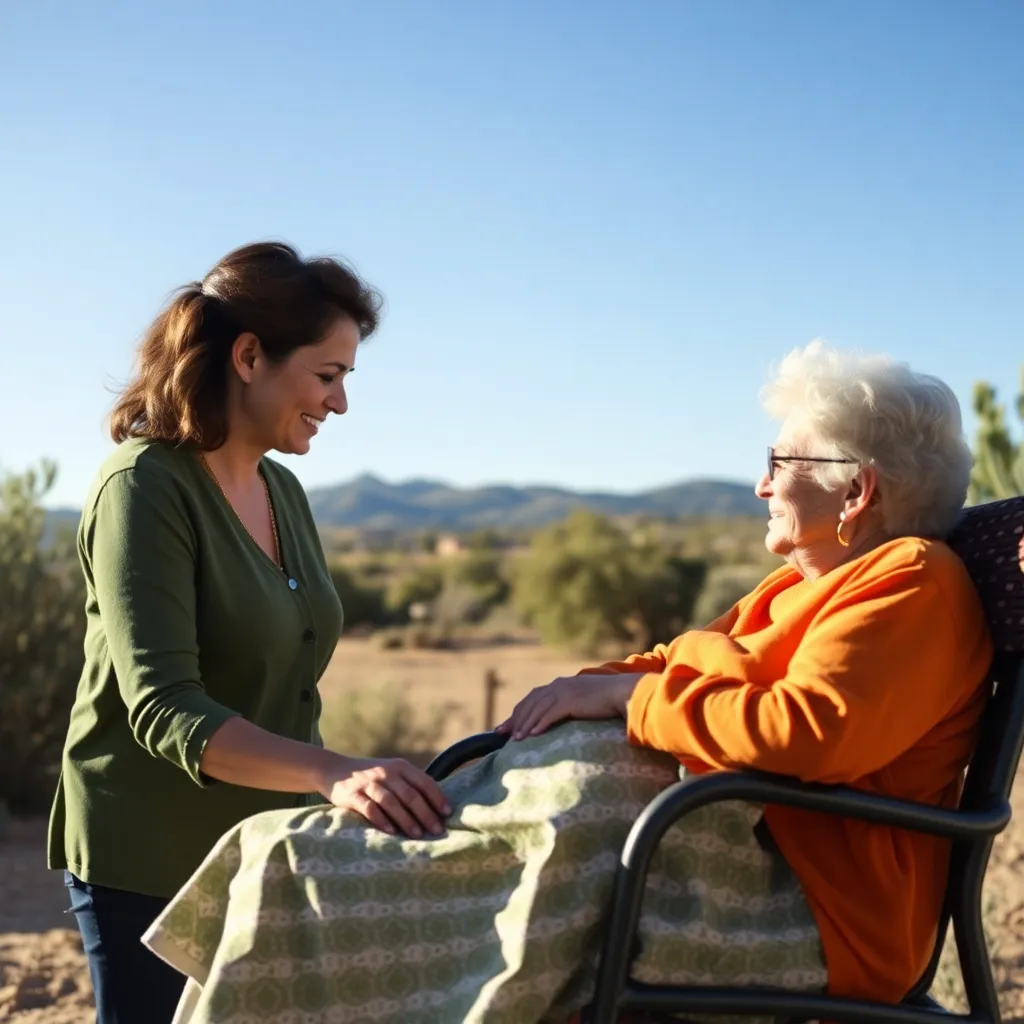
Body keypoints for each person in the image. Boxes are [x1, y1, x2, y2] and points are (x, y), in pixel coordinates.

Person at [142, 342, 993, 1023]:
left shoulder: (912, 579)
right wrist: (583, 691)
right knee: (293, 854)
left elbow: (809, 731)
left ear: (860, 491)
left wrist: (628, 702)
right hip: (679, 854)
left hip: (807, 906)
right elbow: (672, 659)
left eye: (781, 459)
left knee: (319, 878)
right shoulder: (800, 585)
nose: (762, 482)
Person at [47, 241, 451, 1024]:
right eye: (327, 376)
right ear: (248, 355)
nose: (339, 404)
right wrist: (330, 771)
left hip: (265, 845)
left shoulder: (284, 491)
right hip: (149, 853)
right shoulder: (144, 487)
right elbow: (165, 707)